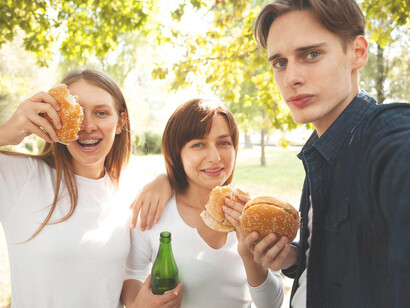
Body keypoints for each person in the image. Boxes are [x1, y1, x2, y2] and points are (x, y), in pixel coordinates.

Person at [223, 0, 410, 307]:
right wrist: (294, 256)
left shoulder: (387, 135)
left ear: (358, 53)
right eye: (280, 63)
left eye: (311, 54)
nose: (290, 78)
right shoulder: (321, 153)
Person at [0, 69, 169, 307]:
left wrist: (167, 179)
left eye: (101, 113)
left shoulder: (133, 191)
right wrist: (5, 132)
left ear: (121, 122)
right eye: (76, 114)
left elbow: (130, 273)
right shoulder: (21, 177)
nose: (87, 126)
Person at [120, 98, 284, 308]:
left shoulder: (254, 214)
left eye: (224, 142)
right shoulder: (155, 210)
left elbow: (272, 304)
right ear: (177, 153)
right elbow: (132, 272)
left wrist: (251, 256)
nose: (215, 157)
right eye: (198, 144)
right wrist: (138, 304)